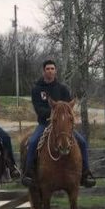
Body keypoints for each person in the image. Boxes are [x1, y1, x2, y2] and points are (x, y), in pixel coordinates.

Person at [21, 60, 96, 188]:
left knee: (82, 142)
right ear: (43, 71)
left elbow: (69, 108)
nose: (50, 71)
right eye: (47, 69)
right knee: (32, 142)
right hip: (44, 123)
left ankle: (85, 173)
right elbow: (38, 109)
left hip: (62, 126)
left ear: (56, 71)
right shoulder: (37, 89)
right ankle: (29, 173)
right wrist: (54, 113)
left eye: (52, 69)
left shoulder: (62, 89)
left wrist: (63, 115)